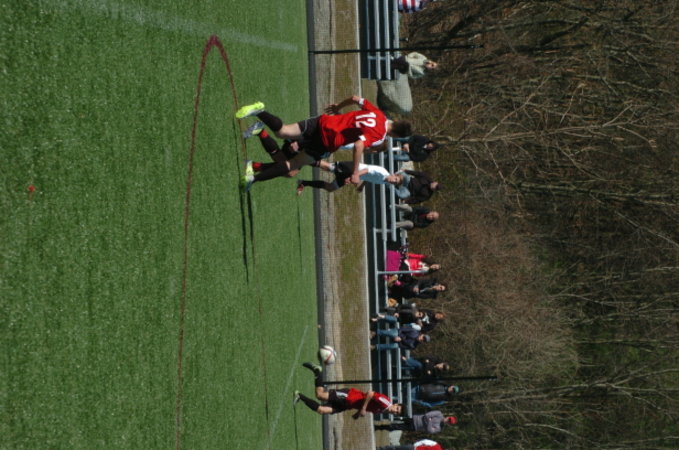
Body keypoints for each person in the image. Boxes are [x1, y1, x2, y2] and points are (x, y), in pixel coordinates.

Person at [235, 96, 412, 190]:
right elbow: (359, 145)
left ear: (396, 121)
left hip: (323, 122)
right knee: (292, 165)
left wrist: (338, 107)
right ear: (395, 135)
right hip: (327, 142)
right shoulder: (380, 135)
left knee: (283, 131)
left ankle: (260, 111)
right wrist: (355, 172)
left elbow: (356, 98)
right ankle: (253, 178)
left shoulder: (379, 113)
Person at [294, 362, 402, 418]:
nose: (395, 411)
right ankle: (317, 371)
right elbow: (370, 393)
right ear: (396, 404)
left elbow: (367, 404)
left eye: (397, 413)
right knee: (320, 395)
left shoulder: (382, 410)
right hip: (349, 396)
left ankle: (299, 396)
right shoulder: (386, 403)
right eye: (397, 409)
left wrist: (358, 412)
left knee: (322, 410)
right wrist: (363, 408)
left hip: (347, 405)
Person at [296, 160, 393, 195]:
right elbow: (367, 170)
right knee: (328, 167)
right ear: (394, 175)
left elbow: (370, 177)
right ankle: (300, 160)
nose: (393, 181)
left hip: (353, 175)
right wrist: (353, 177)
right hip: (351, 168)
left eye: (395, 183)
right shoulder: (383, 172)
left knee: (331, 187)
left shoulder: (384, 181)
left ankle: (303, 183)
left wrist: (362, 186)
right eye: (396, 179)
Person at [375, 410, 457, 433]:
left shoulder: (439, 428)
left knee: (395, 427)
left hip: (415, 427)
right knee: (396, 417)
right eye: (449, 419)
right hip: (414, 418)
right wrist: (429, 423)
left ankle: (379, 427)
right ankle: (379, 414)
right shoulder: (439, 413)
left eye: (449, 422)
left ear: (449, 424)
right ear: (448, 417)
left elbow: (429, 430)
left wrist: (429, 421)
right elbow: (427, 415)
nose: (447, 421)